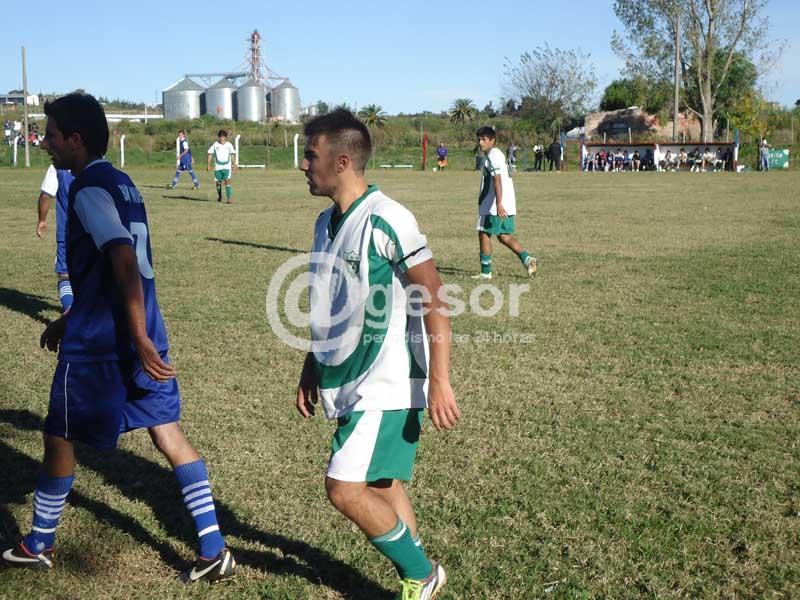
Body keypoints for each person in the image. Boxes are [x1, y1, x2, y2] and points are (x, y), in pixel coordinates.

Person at [1, 94, 236, 583]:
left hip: (105, 345)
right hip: (142, 325)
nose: (46, 143)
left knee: (59, 434)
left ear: (75, 139)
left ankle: (39, 543)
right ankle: (214, 547)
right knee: (168, 434)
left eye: (51, 133)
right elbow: (113, 271)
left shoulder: (87, 187)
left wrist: (130, 338)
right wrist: (82, 321)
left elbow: (123, 260)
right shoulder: (123, 182)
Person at [296, 109, 458, 599]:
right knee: (382, 482)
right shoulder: (325, 223)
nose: (303, 165)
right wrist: (310, 364)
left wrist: (440, 380)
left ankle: (421, 574)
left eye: (310, 155)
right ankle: (422, 571)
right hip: (346, 376)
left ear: (341, 161)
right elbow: (329, 303)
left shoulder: (388, 218)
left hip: (385, 377)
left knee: (343, 488)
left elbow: (433, 295)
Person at [474, 126, 537, 279]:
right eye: (479, 139)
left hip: (495, 205)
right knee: (504, 236)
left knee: (484, 233)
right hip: (508, 202)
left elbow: (497, 180)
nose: (481, 143)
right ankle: (527, 259)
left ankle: (485, 272)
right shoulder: (499, 154)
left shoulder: (492, 156)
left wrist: (498, 204)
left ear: (492, 140)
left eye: (484, 139)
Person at [37, 165, 75, 313]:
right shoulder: (95, 159)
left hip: (67, 230)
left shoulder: (58, 165)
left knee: (65, 274)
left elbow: (46, 195)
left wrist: (42, 220)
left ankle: (69, 311)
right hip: (93, 230)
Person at [207, 130, 237, 203]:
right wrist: (208, 165)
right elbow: (210, 154)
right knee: (218, 183)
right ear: (218, 137)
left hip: (227, 166)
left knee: (227, 181)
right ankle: (220, 196)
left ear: (225, 137)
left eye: (223, 137)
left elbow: (232, 154)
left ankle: (229, 198)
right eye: (220, 137)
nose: (221, 138)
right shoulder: (215, 145)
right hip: (218, 166)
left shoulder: (229, 145)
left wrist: (234, 164)